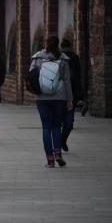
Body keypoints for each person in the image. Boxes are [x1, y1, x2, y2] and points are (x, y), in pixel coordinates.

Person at [30, 36, 73, 168]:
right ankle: (58, 153)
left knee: (46, 127)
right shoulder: (63, 59)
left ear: (46, 43)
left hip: (42, 98)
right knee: (56, 126)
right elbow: (67, 81)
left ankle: (49, 160)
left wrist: (35, 91)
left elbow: (31, 76)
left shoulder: (38, 58)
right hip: (59, 97)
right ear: (58, 44)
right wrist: (69, 99)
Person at [60, 38, 82, 152]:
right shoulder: (74, 57)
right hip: (72, 92)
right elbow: (79, 76)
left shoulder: (58, 57)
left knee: (59, 120)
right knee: (69, 122)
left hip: (59, 92)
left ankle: (60, 141)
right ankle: (63, 140)